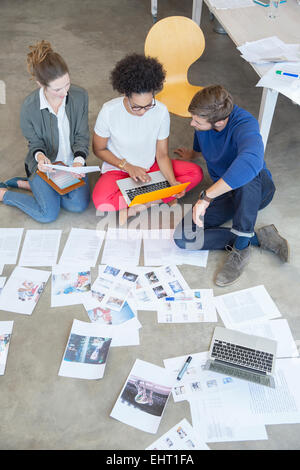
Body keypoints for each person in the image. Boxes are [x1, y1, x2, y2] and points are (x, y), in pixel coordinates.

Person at [173, 85, 289, 287]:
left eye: (197, 121)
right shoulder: (206, 121)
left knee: (247, 173)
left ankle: (241, 248)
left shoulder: (245, 124)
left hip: (257, 190)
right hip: (225, 192)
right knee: (184, 238)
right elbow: (202, 137)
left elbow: (252, 161)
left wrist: (206, 198)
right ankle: (260, 237)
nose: (192, 123)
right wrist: (193, 154)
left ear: (219, 122)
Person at [92, 53, 203, 223]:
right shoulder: (109, 111)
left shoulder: (160, 111)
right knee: (101, 201)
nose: (144, 111)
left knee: (195, 173)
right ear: (126, 95)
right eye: (137, 107)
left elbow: (162, 154)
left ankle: (143, 204)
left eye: (148, 105)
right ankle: (161, 197)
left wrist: (172, 182)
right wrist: (127, 166)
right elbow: (98, 149)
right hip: (119, 169)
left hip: (152, 168)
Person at [0, 40, 90, 223]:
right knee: (48, 214)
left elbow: (82, 136)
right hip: (45, 167)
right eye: (57, 89)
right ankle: (4, 194)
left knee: (77, 205)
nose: (65, 92)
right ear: (41, 84)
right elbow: (35, 144)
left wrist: (79, 162)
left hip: (72, 166)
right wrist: (41, 158)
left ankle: (31, 186)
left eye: (67, 84)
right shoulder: (29, 107)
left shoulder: (80, 96)